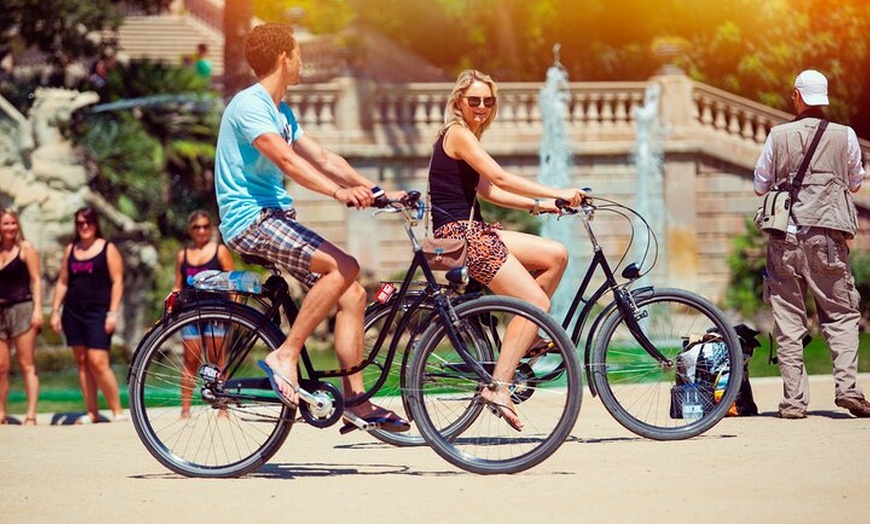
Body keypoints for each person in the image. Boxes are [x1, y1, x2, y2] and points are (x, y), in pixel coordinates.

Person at [213, 23, 408, 432]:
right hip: (252, 219)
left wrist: (375, 191)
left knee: (352, 292)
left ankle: (355, 401)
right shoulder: (250, 105)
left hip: (274, 217)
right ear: (284, 57)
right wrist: (339, 194)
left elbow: (321, 155)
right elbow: (288, 163)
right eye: (298, 53)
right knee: (345, 267)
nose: (302, 60)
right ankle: (286, 354)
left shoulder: (280, 110)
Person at [428, 69, 585, 430]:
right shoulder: (458, 135)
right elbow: (499, 177)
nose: (481, 106)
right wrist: (558, 191)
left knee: (555, 255)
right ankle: (498, 387)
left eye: (488, 101)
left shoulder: (468, 137)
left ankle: (525, 340)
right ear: (458, 103)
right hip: (461, 234)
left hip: (473, 229)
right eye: (474, 100)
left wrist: (541, 207)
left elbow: (489, 192)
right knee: (536, 304)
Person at [753, 69, 870, 419]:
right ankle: (848, 389)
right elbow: (855, 184)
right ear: (825, 97)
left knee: (788, 320)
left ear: (797, 96)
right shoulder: (845, 135)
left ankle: (793, 402)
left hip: (784, 239)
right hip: (828, 237)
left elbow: (760, 185)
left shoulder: (777, 135)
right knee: (841, 314)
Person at [50, 207, 126, 423]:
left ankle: (117, 410)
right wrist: (55, 310)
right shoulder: (71, 249)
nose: (85, 227)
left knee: (98, 361)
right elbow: (63, 281)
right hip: (73, 312)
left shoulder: (108, 248)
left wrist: (113, 312)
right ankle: (91, 412)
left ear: (96, 224)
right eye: (80, 223)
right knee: (82, 362)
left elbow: (118, 281)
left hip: (99, 311)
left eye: (89, 222)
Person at [172, 210, 234, 418]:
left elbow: (232, 283)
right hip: (191, 314)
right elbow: (178, 285)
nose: (201, 231)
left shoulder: (220, 251)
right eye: (197, 227)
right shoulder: (183, 255)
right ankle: (185, 408)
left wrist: (236, 311)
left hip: (217, 312)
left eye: (205, 226)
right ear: (190, 230)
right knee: (190, 360)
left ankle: (222, 405)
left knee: (217, 359)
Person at [0, 209, 41, 425]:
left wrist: (37, 310)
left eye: (13, 223)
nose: (10, 228)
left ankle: (31, 414)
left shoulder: (25, 248)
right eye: (6, 223)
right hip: (1, 312)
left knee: (27, 364)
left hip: (23, 308)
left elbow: (36, 280)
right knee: (1, 367)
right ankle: (1, 413)